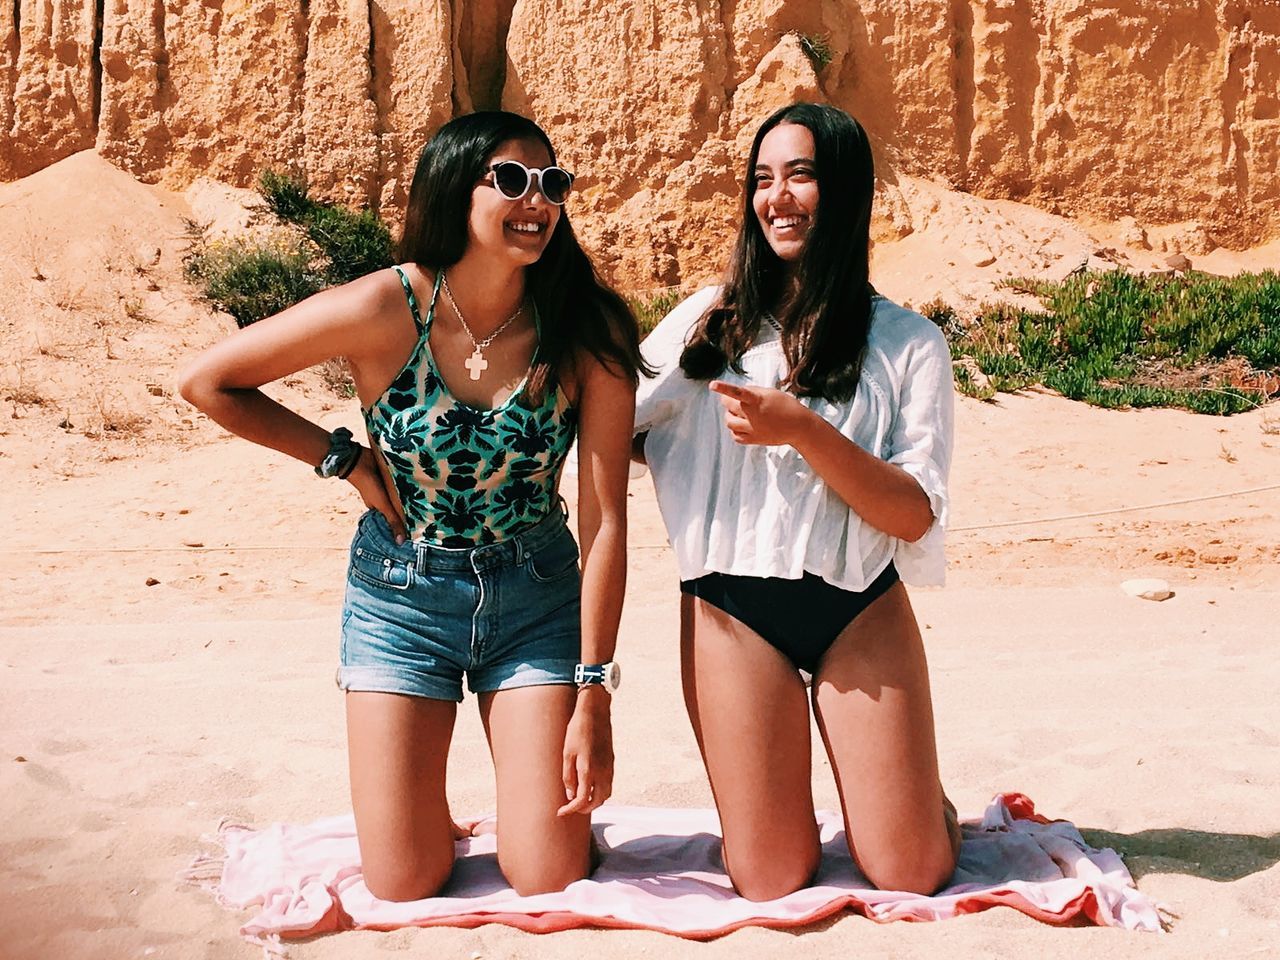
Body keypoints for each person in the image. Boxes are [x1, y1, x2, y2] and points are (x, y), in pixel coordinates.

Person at [180, 111, 643, 900]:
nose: (537, 200)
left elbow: (603, 522)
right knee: (403, 880)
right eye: (511, 180)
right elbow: (209, 382)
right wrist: (348, 462)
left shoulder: (582, 326)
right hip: (400, 600)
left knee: (546, 872)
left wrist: (592, 691)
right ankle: (434, 813)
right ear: (452, 189)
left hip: (535, 599)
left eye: (552, 184)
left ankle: (532, 813)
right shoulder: (385, 306)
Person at [633, 102, 961, 900]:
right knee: (771, 876)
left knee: (912, 870)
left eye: (802, 175)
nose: (777, 197)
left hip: (860, 607)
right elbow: (617, 425)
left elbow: (913, 513)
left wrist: (804, 431)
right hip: (731, 610)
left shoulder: (909, 341)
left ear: (844, 189)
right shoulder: (706, 322)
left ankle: (924, 806)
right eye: (763, 179)